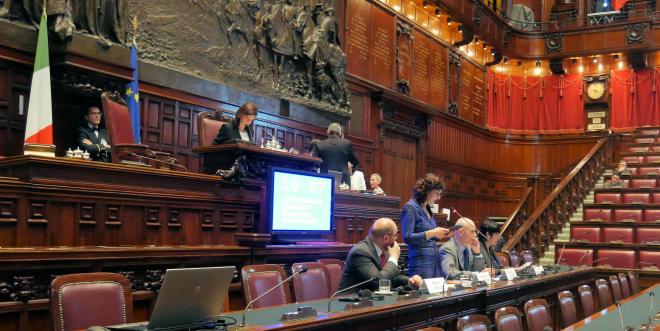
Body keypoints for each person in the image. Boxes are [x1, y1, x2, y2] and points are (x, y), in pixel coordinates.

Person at [338, 218, 423, 293]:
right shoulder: (360, 252)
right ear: (386, 238)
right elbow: (378, 282)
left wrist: (409, 281)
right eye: (395, 235)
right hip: (351, 306)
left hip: (371, 301)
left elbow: (391, 277)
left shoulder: (382, 250)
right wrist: (393, 258)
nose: (396, 239)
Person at [401, 173, 451, 279]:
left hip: (434, 261)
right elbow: (407, 237)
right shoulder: (410, 207)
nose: (438, 198)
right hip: (420, 263)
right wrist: (432, 233)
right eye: (437, 193)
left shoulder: (428, 208)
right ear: (427, 191)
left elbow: (429, 237)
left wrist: (440, 235)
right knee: (423, 295)